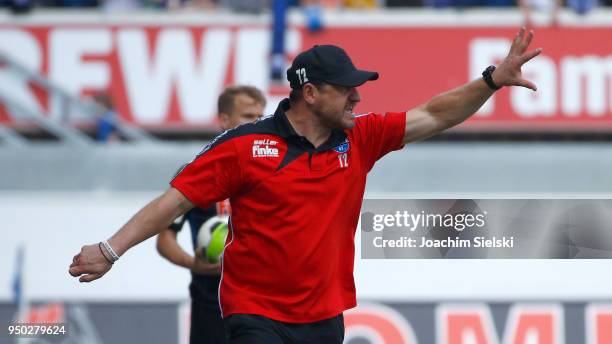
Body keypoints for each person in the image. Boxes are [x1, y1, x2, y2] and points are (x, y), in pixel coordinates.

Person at [69, 27, 542, 343]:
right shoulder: (243, 146)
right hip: (254, 313)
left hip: (324, 318)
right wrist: (110, 251)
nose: (358, 95)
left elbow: (435, 113)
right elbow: (174, 199)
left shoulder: (361, 137)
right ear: (310, 93)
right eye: (345, 88)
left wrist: (491, 80)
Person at [156, 85, 265, 344]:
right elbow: (164, 238)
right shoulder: (197, 172)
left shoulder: (273, 169)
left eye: (261, 117)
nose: (258, 123)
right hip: (210, 303)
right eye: (249, 116)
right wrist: (194, 264)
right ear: (224, 121)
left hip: (262, 304)